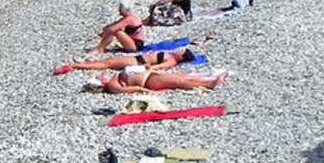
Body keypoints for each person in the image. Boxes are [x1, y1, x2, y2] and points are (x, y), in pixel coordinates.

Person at [54, 47, 200, 75]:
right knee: (109, 61)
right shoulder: (172, 56)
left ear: (182, 57)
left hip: (136, 62)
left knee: (107, 64)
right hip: (137, 59)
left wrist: (147, 65)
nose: (180, 50)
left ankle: (76, 66)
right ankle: (81, 64)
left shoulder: (172, 61)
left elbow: (156, 68)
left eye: (182, 52)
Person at [96, 65, 227, 94]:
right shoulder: (112, 85)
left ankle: (209, 79)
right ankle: (209, 83)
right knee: (178, 82)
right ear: (102, 83)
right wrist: (144, 90)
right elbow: (129, 89)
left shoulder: (113, 79)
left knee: (181, 77)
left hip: (150, 76)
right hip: (148, 81)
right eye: (100, 77)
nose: (102, 75)